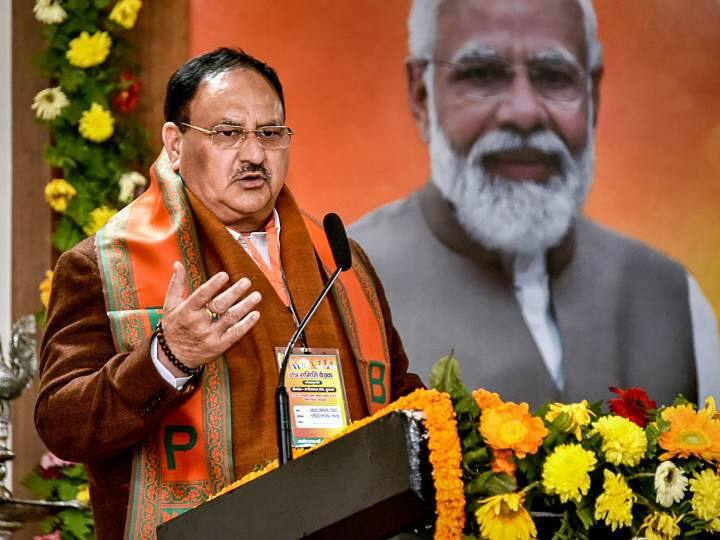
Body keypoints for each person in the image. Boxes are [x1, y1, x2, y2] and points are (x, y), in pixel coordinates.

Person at [35, 48, 421, 539]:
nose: (255, 155)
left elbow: (398, 396)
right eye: (228, 133)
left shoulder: (342, 261)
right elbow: (62, 424)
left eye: (271, 133)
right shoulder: (103, 266)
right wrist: (167, 358)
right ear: (174, 144)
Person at [350, 0, 720, 408]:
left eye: (553, 76)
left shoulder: (672, 299)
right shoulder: (342, 286)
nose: (523, 113)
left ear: (592, 94)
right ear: (422, 95)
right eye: (482, 75)